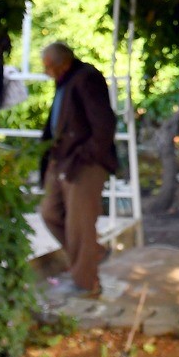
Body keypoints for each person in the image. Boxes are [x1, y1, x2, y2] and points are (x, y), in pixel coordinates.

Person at [38, 42, 119, 297]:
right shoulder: (66, 80)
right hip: (62, 160)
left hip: (84, 163)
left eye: (49, 67)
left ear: (62, 63)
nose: (47, 72)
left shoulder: (86, 79)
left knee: (80, 224)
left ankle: (87, 284)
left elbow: (104, 125)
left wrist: (86, 155)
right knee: (50, 212)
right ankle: (92, 253)